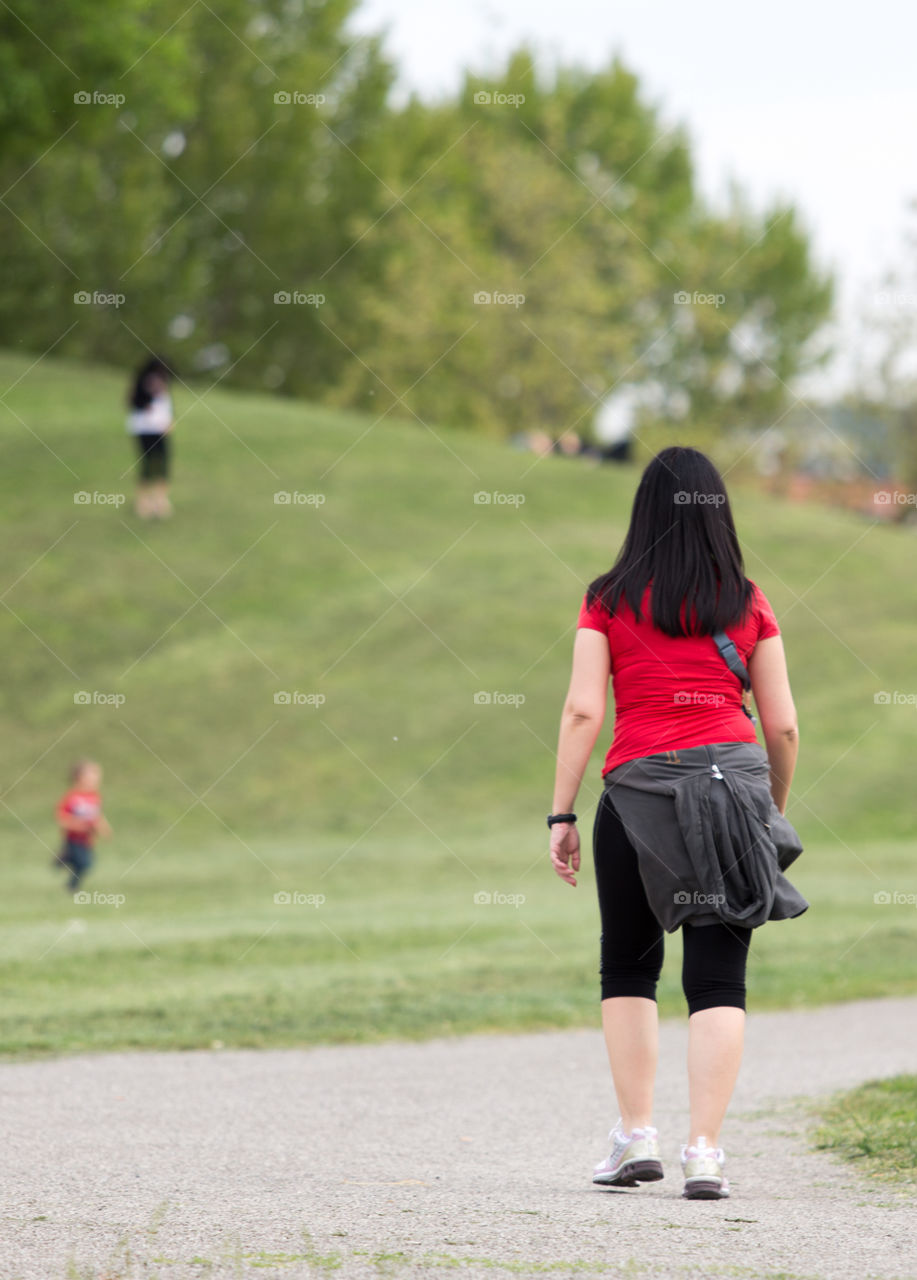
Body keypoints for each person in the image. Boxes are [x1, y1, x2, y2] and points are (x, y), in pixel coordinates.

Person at [549, 445, 805, 1200]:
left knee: (627, 966)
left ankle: (635, 1137)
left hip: (636, 794)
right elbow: (783, 726)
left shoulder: (607, 597)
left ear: (643, 513)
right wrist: (767, 812)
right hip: (732, 790)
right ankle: (704, 1153)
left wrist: (560, 812)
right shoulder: (747, 601)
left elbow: (582, 710)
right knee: (718, 977)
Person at [126, 356, 174, 519]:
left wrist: (168, 422)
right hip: (146, 429)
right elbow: (135, 402)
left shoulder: (162, 382)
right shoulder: (144, 382)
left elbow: (164, 406)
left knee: (161, 464)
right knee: (148, 464)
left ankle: (160, 501)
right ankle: (144, 502)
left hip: (159, 430)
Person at [54, 760, 111, 892]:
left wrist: (104, 829)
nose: (97, 781)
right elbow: (62, 818)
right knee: (83, 863)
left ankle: (68, 872)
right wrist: (78, 825)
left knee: (86, 864)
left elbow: (97, 816)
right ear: (79, 778)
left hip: (88, 840)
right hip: (73, 839)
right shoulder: (72, 797)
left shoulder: (94, 796)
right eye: (93, 777)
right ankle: (65, 861)